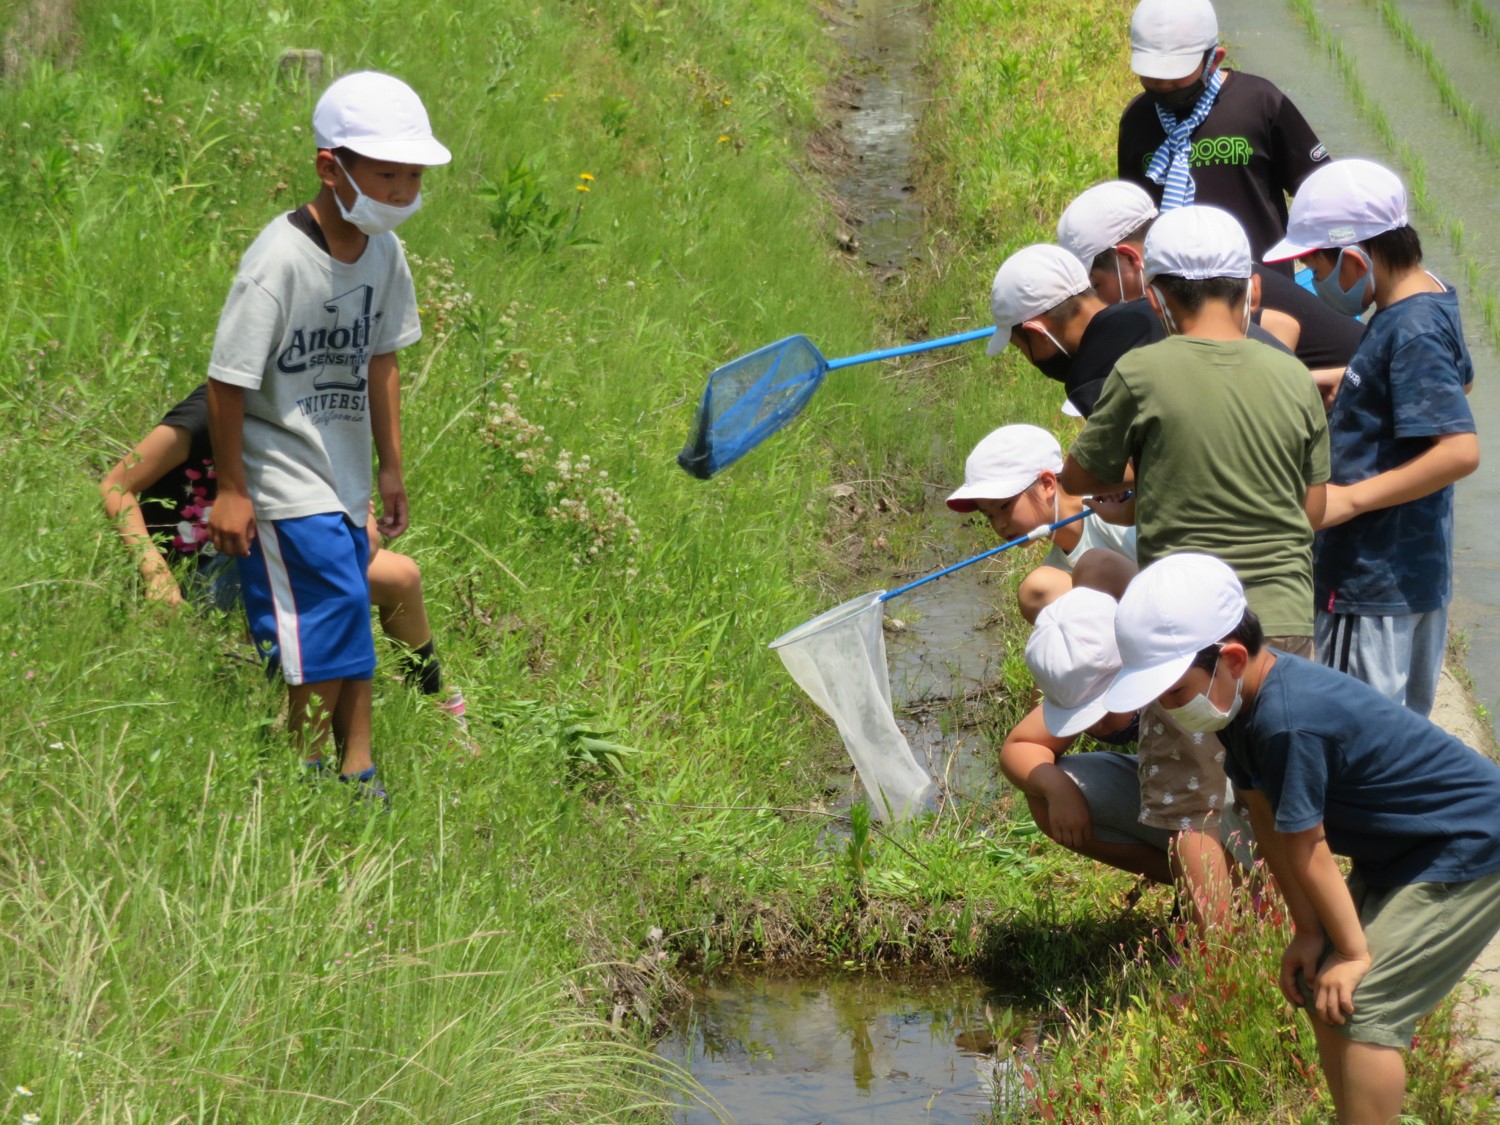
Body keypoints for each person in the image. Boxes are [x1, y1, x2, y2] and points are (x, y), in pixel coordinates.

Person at [1104, 551, 1500, 1125]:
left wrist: (1357, 955)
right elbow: (1266, 824)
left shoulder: (1290, 719)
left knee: (1366, 1006)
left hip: (1465, 843)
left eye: (1172, 690)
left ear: (1230, 658)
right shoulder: (1240, 710)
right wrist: (1309, 934)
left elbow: (1307, 846)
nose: (1165, 708)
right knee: (1326, 996)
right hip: (1402, 849)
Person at [205, 71, 452, 797]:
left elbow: (383, 360)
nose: (403, 191)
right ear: (330, 166)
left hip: (341, 475)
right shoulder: (277, 262)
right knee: (332, 615)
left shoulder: (383, 253)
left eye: (413, 175)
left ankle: (348, 765)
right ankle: (315, 765)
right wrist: (230, 489)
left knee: (345, 610)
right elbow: (227, 378)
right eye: (387, 174)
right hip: (283, 473)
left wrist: (390, 469)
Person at [99, 383, 471, 732]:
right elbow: (116, 485)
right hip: (191, 572)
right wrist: (155, 571)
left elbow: (356, 531)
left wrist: (362, 523)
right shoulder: (210, 411)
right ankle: (303, 709)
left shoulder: (313, 420)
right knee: (334, 576)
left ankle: (435, 703)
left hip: (267, 555)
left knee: (401, 576)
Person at [1061, 204, 1330, 656]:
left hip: (1182, 623)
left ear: (1154, 299)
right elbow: (1314, 509)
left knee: (1191, 726)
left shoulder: (1140, 371)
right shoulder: (1295, 376)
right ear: (1255, 289)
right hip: (1284, 617)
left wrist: (1149, 474)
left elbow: (1078, 479)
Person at [1263, 158, 1479, 717]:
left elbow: (1459, 450)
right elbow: (1461, 380)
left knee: (1360, 740)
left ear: (1355, 259)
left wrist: (1349, 499)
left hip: (1375, 580)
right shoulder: (1424, 297)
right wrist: (1344, 383)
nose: (1309, 276)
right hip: (1403, 571)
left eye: (1314, 262)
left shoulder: (1411, 327)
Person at [1004, 586, 1248, 930]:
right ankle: (1206, 883)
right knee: (1041, 796)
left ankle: (1235, 894)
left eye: (1101, 708)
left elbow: (1189, 807)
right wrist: (1057, 787)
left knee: (1187, 816)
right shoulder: (1090, 670)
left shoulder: (1177, 684)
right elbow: (1020, 746)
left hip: (1234, 797)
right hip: (1181, 795)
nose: (1096, 725)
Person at [1057, 179, 1364, 388]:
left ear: (1129, 259)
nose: (1098, 298)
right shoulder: (1204, 261)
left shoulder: (1200, 285)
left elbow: (1282, 328)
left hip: (1354, 399)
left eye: (1096, 284)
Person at [1118, 0, 1330, 268]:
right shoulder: (1138, 118)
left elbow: (1319, 188)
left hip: (1261, 288)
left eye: (1175, 76)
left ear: (1214, 59)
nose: (1164, 86)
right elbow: (1133, 214)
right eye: (1153, 77)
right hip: (1172, 292)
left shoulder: (1259, 103)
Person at [987, 242, 1292, 420]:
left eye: (1021, 348)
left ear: (1037, 332)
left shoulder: (1090, 378)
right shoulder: (1149, 310)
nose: (1029, 359)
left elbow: (1126, 468)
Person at [946, 424, 1136, 624]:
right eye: (989, 516)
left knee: (1094, 566)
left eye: (1004, 506)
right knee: (1035, 591)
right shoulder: (1054, 574)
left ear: (1047, 484)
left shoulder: (1115, 508)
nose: (999, 525)